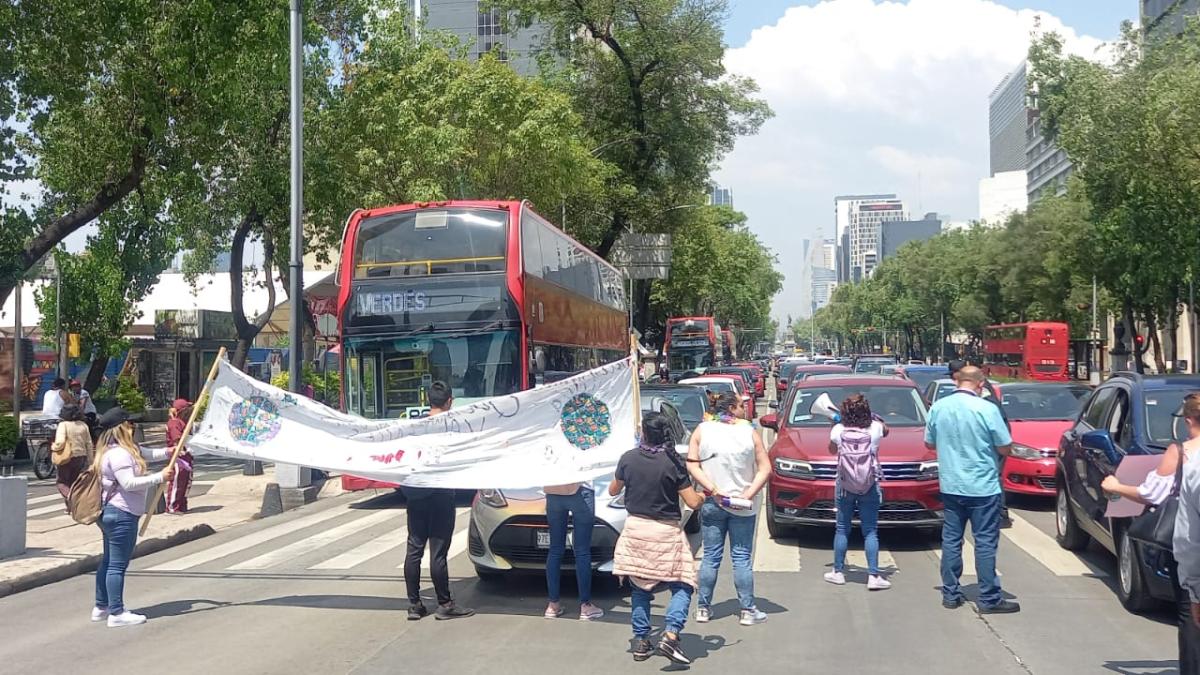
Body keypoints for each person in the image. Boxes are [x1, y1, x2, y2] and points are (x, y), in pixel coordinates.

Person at [610, 412, 705, 665]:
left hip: (635, 530)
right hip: (665, 531)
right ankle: (671, 634)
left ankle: (641, 641)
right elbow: (692, 502)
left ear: (643, 433)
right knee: (682, 582)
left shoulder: (628, 459)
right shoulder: (673, 463)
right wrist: (703, 495)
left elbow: (613, 490)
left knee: (639, 588)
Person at [925, 365, 1018, 613]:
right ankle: (989, 598)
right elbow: (1005, 446)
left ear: (957, 382)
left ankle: (950, 594)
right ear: (980, 383)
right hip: (983, 486)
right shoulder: (986, 409)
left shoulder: (939, 407)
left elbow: (929, 442)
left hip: (951, 484)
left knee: (952, 540)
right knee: (985, 542)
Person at [687, 392, 772, 624]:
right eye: (742, 405)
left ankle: (703, 608)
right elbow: (765, 468)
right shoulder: (749, 432)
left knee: (711, 557)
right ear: (732, 408)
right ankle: (747, 610)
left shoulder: (702, 430)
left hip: (714, 502)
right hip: (743, 505)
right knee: (742, 557)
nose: (745, 408)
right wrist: (749, 493)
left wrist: (712, 489)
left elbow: (692, 465)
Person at [93, 406, 174, 627]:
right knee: (117, 565)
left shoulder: (122, 449)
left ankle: (102, 606)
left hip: (112, 512)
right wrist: (160, 477)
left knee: (109, 561)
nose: (134, 427)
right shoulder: (119, 454)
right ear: (121, 428)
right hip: (121, 513)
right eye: (130, 424)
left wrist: (170, 452)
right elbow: (128, 483)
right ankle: (116, 612)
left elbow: (148, 454)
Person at [402, 381, 474, 621]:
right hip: (441, 493)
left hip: (416, 492)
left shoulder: (415, 427)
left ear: (428, 401)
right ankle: (444, 603)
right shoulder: (453, 429)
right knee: (438, 552)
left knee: (414, 548)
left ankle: (414, 604)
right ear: (449, 401)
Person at [823, 394, 892, 590]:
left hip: (844, 485)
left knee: (842, 528)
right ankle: (873, 576)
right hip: (869, 483)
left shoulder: (838, 430)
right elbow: (887, 431)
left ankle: (837, 572)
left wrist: (834, 424)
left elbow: (830, 450)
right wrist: (875, 417)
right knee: (870, 530)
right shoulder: (876, 428)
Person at [1152, 393, 1200, 673]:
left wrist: (1194, 589)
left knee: (1191, 623)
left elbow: (1189, 539)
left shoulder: (1188, 460)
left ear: (1187, 420)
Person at [949, 359, 1012, 528]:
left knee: (995, 475)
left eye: (954, 377)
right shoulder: (977, 392)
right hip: (991, 441)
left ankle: (1001, 513)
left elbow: (1001, 434)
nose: (953, 381)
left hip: (993, 441)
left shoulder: (984, 397)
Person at [542, 477, 604, 621]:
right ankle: (585, 606)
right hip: (580, 490)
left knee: (555, 549)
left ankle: (553, 605)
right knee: (582, 551)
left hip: (553, 490)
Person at [50, 402, 92, 504]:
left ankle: (71, 498)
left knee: (62, 482)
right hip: (81, 456)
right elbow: (89, 444)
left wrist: (53, 446)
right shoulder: (83, 425)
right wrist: (91, 460)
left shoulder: (63, 425)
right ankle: (72, 506)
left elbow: (60, 442)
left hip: (67, 457)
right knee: (74, 482)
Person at [164, 398, 195, 514]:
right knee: (178, 481)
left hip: (187, 455)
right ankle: (172, 506)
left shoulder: (184, 423)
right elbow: (176, 438)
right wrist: (180, 448)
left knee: (186, 481)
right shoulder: (174, 422)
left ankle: (181, 504)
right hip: (179, 457)